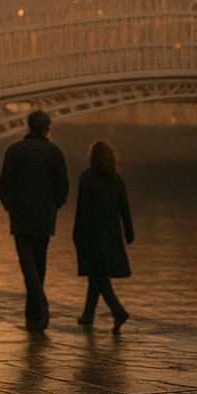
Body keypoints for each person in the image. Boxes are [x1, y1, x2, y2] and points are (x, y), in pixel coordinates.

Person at [0, 110, 69, 329]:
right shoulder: (55, 152)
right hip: (45, 217)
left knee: (27, 264)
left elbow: (4, 185)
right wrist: (54, 205)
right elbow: (63, 188)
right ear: (47, 128)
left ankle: (40, 308)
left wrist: (11, 207)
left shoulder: (15, 150)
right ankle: (33, 316)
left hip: (20, 216)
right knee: (39, 265)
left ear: (28, 126)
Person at [72, 139, 134, 333]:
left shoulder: (87, 177)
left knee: (99, 277)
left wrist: (77, 234)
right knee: (96, 275)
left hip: (93, 235)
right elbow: (125, 209)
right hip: (112, 236)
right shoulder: (116, 179)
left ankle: (118, 311)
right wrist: (129, 233)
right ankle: (88, 315)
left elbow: (82, 210)